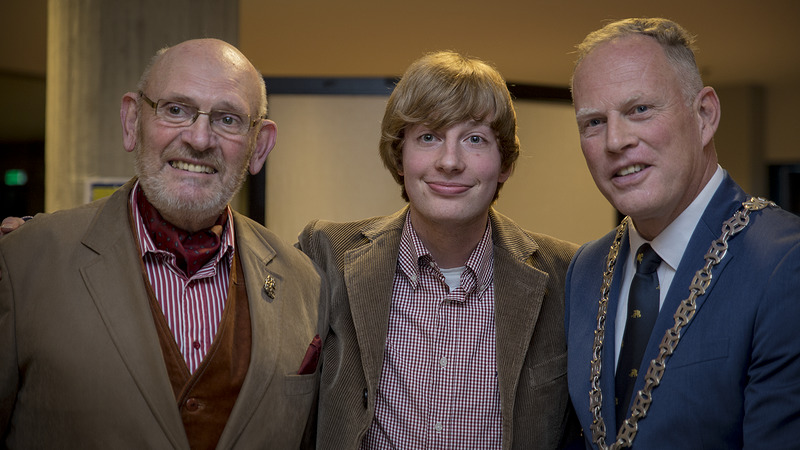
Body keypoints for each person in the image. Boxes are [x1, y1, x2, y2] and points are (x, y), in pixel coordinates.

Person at [0, 38, 327, 449]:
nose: (200, 138)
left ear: (259, 145)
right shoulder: (23, 261)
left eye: (228, 119)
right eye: (175, 110)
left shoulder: (305, 284)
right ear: (132, 120)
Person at [299, 51, 580, 449]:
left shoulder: (568, 274)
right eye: (428, 137)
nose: (450, 162)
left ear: (505, 163)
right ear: (400, 156)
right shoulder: (327, 253)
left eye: (475, 139)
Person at [564, 18, 800, 449]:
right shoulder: (585, 268)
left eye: (640, 109)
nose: (616, 140)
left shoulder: (785, 262)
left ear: (704, 115)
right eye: (594, 122)